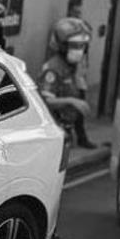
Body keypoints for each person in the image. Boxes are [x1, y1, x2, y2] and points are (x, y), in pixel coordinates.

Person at [39, 17, 97, 149]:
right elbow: (45, 101)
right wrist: (72, 101)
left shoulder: (72, 67)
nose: (80, 51)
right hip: (54, 129)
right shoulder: (53, 69)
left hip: (66, 129)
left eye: (82, 46)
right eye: (75, 46)